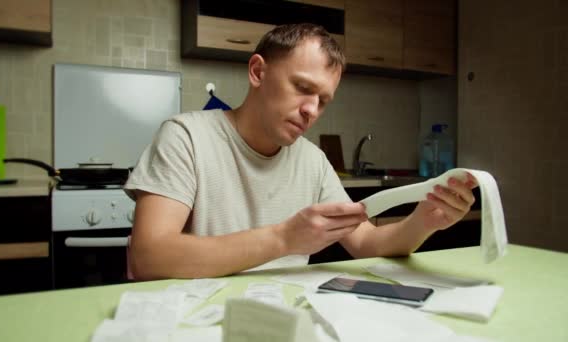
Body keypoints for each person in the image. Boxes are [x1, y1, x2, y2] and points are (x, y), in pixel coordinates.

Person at [124, 23, 476, 280]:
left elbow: (367, 242)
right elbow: (149, 257)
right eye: (302, 88)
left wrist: (424, 220)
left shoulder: (312, 161)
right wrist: (283, 238)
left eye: (323, 100)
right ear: (258, 72)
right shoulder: (186, 136)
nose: (312, 110)